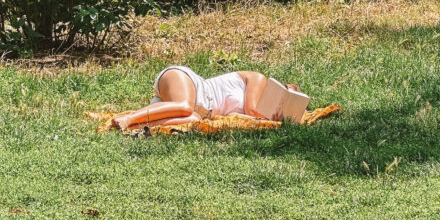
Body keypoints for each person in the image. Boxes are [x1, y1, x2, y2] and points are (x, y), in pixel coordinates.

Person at [111, 65, 300, 132]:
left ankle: (135, 125)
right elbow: (251, 110)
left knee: (193, 119)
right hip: (191, 84)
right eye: (284, 90)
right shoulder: (259, 79)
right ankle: (128, 118)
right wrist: (270, 119)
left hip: (201, 111)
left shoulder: (260, 114)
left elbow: (236, 118)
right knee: (185, 106)